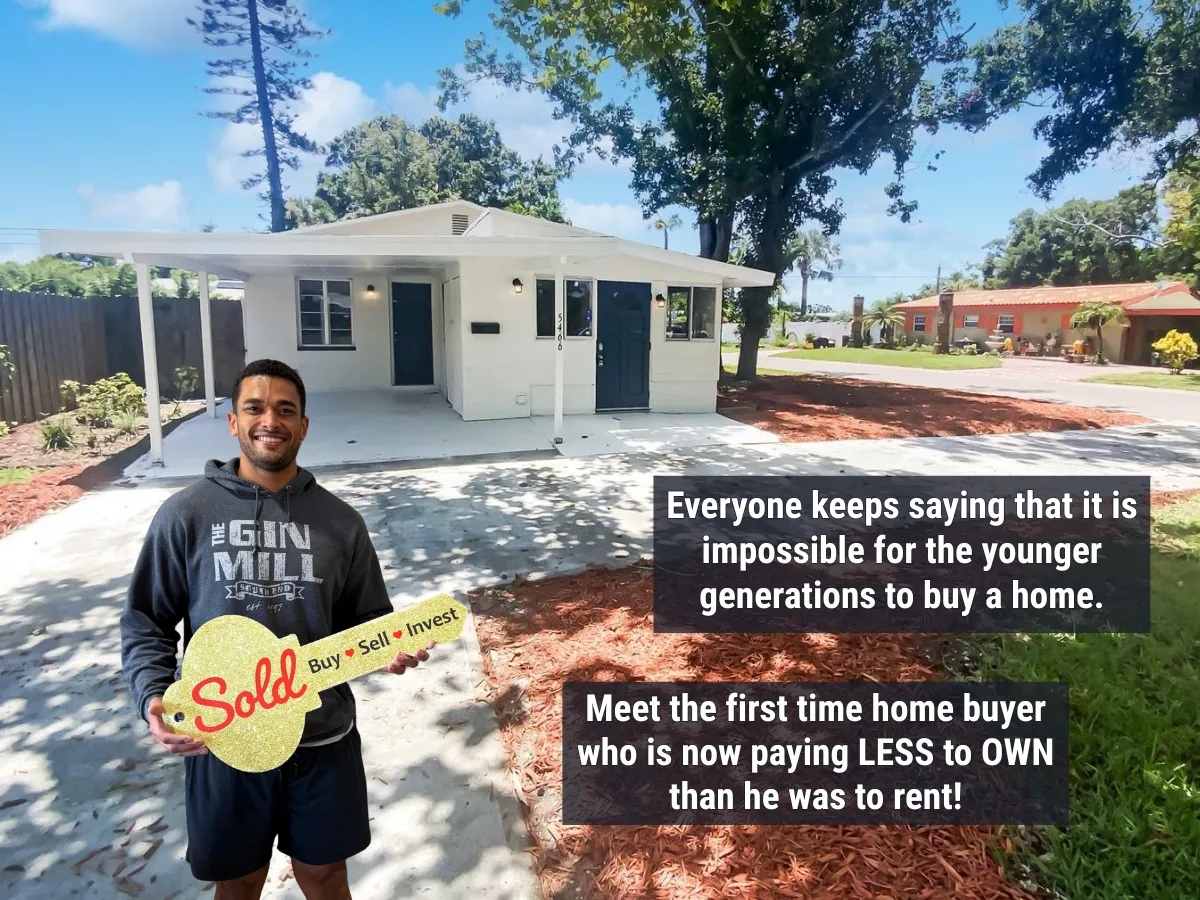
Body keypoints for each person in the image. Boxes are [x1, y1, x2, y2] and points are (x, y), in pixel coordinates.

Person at [120, 359, 435, 900]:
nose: (271, 420)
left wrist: (385, 647)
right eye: (255, 407)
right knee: (239, 881)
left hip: (322, 737)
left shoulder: (340, 522)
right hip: (226, 737)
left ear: (304, 425)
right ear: (234, 422)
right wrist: (151, 694)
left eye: (286, 409)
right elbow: (147, 618)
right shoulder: (186, 515)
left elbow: (368, 617)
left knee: (324, 876)